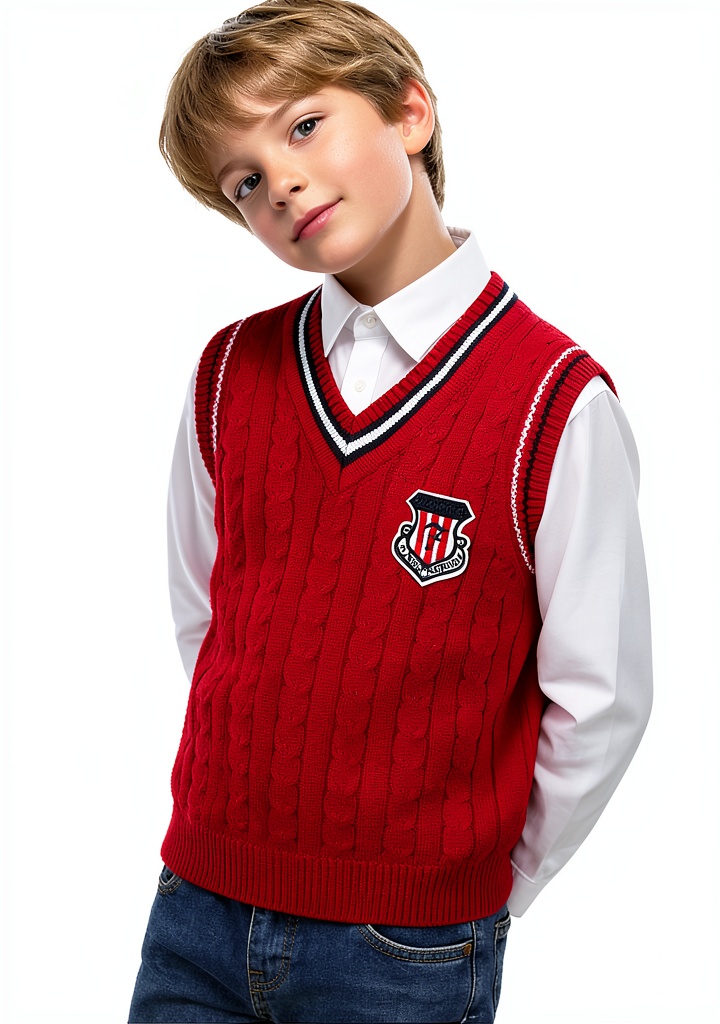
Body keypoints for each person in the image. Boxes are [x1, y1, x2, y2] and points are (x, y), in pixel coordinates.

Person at [128, 2, 652, 1021]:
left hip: (405, 947)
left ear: (410, 112)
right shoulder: (229, 373)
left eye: (303, 126)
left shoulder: (552, 401)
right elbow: (212, 620)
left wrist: (481, 891)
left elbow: (601, 697)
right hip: (197, 907)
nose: (279, 181)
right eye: (244, 182)